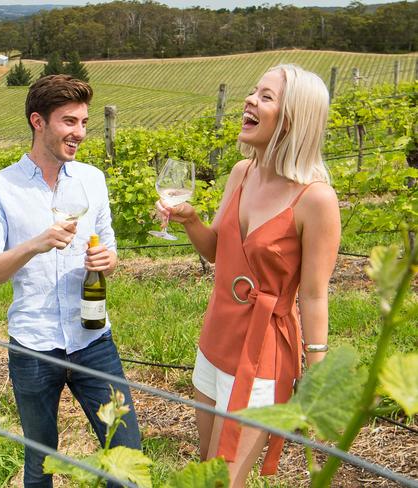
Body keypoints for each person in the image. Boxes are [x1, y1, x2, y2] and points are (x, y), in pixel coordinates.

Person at [156, 64, 340, 486]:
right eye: (254, 92)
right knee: (206, 468)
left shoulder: (316, 200)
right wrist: (190, 219)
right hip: (215, 339)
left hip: (262, 357)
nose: (250, 101)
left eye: (266, 97)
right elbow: (218, 252)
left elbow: (313, 296)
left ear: (293, 118)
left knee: (223, 481)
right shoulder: (242, 173)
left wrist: (318, 371)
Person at [0, 74, 141, 487]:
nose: (79, 133)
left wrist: (108, 259)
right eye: (69, 122)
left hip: (93, 341)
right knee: (41, 462)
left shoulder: (92, 180)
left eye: (83, 122)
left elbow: (111, 251)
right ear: (38, 121)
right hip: (33, 347)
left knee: (127, 460)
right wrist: (35, 244)